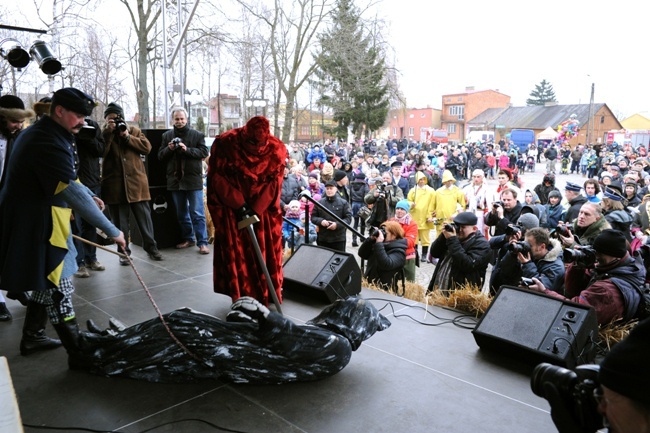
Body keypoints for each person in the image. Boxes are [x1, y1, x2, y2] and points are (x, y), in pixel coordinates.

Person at [0, 87, 126, 365]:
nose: (83, 121)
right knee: (60, 284)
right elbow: (70, 190)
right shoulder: (46, 140)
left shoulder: (49, 133)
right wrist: (112, 231)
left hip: (40, 218)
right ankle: (77, 351)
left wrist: (90, 195)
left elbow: (68, 178)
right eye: (79, 115)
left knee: (48, 279)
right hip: (37, 222)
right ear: (59, 111)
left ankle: (33, 335)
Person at [207, 116, 287, 307]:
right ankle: (242, 298)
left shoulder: (276, 148)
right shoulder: (226, 143)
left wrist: (255, 209)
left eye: (261, 143)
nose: (257, 148)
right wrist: (239, 204)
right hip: (233, 212)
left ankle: (264, 294)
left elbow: (274, 184)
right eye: (253, 142)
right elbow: (217, 178)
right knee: (240, 255)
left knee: (263, 253)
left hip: (263, 214)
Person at [528, 229, 646, 325]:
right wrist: (578, 265)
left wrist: (544, 292)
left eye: (600, 254)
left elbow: (574, 309)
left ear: (615, 257)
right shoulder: (618, 267)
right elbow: (571, 290)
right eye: (595, 252)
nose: (596, 257)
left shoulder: (607, 291)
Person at [102, 102, 163, 264]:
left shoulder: (134, 131)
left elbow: (147, 148)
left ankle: (152, 248)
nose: (115, 121)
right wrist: (108, 133)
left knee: (145, 221)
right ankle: (124, 253)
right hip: (115, 187)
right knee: (119, 223)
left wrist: (127, 137)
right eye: (110, 119)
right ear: (106, 120)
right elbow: (100, 152)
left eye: (117, 118)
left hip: (137, 185)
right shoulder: (104, 135)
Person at [0, 95, 36, 319]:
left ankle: (15, 286)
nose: (19, 126)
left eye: (21, 121)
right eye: (14, 121)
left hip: (9, 202)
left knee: (13, 246)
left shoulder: (17, 138)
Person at [158, 107, 210, 254]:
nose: (179, 121)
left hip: (193, 180)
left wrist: (187, 150)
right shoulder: (166, 136)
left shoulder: (197, 135)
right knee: (181, 213)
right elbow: (160, 156)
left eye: (182, 119)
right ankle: (189, 238)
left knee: (197, 213)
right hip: (175, 181)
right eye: (177, 119)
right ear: (172, 120)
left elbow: (204, 152)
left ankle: (203, 242)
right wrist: (169, 149)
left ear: (186, 119)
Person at [72, 113, 107, 278]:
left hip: (92, 181)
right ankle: (79, 263)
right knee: (76, 226)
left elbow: (101, 150)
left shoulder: (93, 126)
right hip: (74, 183)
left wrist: (89, 137)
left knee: (90, 224)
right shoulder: (69, 127)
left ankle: (91, 258)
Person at [427, 211, 491, 293]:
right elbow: (434, 253)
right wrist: (443, 236)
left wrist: (452, 240)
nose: (459, 230)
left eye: (463, 227)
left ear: (474, 228)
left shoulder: (482, 244)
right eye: (457, 226)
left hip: (459, 296)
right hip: (438, 290)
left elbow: (467, 264)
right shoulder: (452, 237)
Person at [357, 221, 407, 291]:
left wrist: (379, 244)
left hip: (385, 290)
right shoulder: (379, 244)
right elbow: (362, 254)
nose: (382, 235)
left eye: (385, 233)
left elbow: (386, 264)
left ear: (394, 235)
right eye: (382, 231)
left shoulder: (399, 251)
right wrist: (370, 239)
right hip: (370, 285)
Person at [516, 227, 565, 293]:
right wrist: (512, 254)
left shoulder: (556, 267)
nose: (526, 248)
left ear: (542, 247)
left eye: (529, 245)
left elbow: (542, 288)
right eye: (525, 244)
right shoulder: (530, 256)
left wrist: (527, 265)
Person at [311, 180, 352, 252]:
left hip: (338, 238)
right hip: (323, 237)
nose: (329, 190)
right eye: (327, 189)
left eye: (331, 188)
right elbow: (313, 217)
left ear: (336, 189)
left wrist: (337, 224)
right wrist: (321, 221)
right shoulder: (319, 203)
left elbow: (348, 218)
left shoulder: (343, 203)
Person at [406, 171, 436, 263]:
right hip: (415, 215)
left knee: (425, 237)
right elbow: (408, 200)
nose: (421, 181)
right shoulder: (412, 190)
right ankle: (415, 254)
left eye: (423, 179)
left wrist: (430, 214)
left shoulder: (431, 191)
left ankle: (424, 254)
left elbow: (433, 203)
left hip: (425, 216)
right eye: (420, 179)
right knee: (414, 237)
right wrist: (411, 204)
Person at [390, 200, 419, 282]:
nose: (399, 211)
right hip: (393, 255)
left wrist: (394, 242)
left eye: (402, 209)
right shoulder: (391, 221)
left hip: (407, 256)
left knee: (408, 282)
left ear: (406, 211)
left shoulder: (412, 224)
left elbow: (410, 242)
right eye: (397, 208)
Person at [463, 169, 491, 236]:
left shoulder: (486, 189)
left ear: (482, 177)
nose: (476, 179)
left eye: (478, 177)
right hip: (468, 212)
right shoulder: (467, 188)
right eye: (474, 177)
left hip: (480, 214)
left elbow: (489, 205)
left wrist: (487, 221)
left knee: (480, 232)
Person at [349, 171, 369, 247]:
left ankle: (354, 240)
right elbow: (366, 196)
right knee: (363, 222)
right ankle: (362, 238)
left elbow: (350, 196)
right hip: (362, 204)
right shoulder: (365, 185)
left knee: (355, 223)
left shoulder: (352, 184)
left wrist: (351, 205)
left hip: (354, 204)